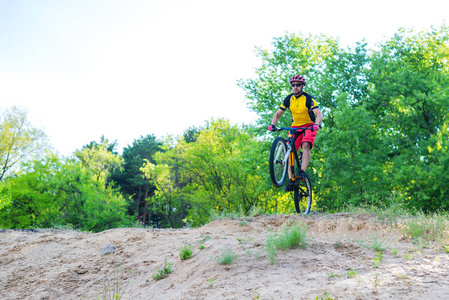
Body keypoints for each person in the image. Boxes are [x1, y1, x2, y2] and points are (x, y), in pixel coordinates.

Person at [268, 74, 323, 191]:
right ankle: (291, 179)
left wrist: (316, 125)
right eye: (293, 85)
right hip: (295, 127)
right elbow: (278, 114)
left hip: (309, 126)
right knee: (290, 151)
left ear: (302, 86)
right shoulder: (288, 99)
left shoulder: (308, 98)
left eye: (298, 85)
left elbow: (319, 114)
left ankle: (302, 171)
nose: (295, 87)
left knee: (306, 144)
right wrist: (273, 125)